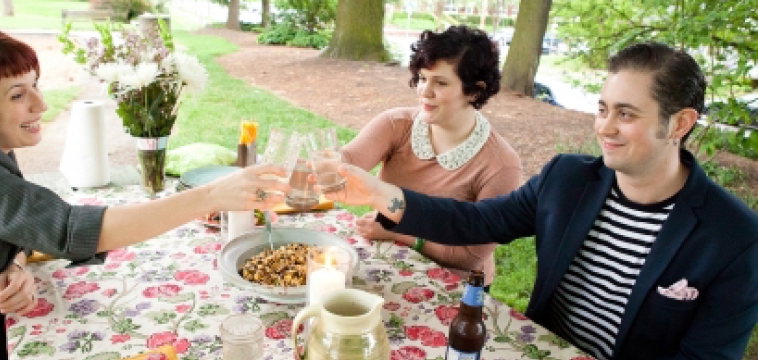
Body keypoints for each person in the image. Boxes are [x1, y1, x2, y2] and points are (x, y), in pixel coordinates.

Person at [325, 42, 758, 359]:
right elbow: (476, 223)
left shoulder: (734, 237)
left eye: (626, 114)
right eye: (602, 108)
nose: (605, 128)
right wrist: (381, 194)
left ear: (679, 123)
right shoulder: (567, 178)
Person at [0, 22, 289, 359]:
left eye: (35, 86)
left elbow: (24, 223)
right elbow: (69, 230)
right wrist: (212, 195)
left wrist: (14, 265)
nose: (40, 104)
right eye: (17, 94)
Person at [340, 25, 521, 286]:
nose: (425, 91)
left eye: (441, 83)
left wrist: (398, 233)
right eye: (423, 78)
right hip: (389, 263)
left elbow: (469, 256)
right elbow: (348, 159)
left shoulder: (501, 165)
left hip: (455, 286)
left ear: (475, 91)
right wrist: (327, 163)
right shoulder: (396, 124)